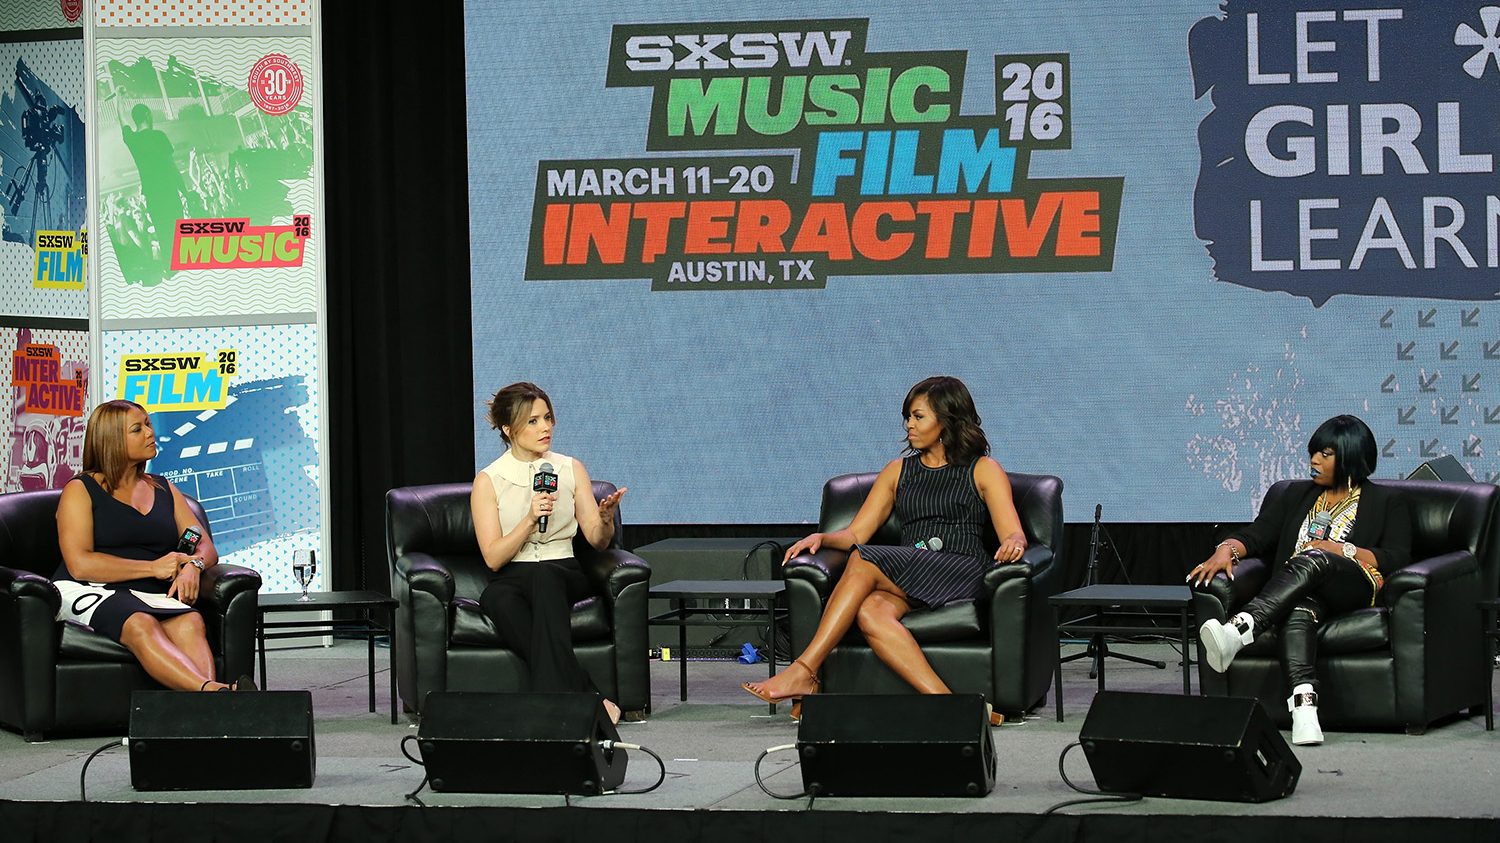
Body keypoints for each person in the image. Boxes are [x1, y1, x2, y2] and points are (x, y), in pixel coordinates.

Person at [743, 376, 1028, 724]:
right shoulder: (897, 472)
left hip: (961, 569)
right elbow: (856, 533)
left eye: (918, 416)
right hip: (913, 576)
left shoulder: (983, 470)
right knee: (871, 610)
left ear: (947, 421)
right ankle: (951, 707)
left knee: (864, 559)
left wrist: (1014, 542)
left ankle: (805, 670)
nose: (909, 424)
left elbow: (1012, 530)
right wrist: (821, 538)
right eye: (907, 416)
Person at [1190, 415, 1411, 746]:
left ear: (1351, 456)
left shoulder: (1387, 501)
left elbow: (1396, 557)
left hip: (1353, 586)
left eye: (1325, 454)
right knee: (1298, 610)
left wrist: (1339, 549)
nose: (1314, 461)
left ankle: (1240, 629)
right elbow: (1258, 535)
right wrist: (1227, 550)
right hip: (1296, 591)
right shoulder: (1295, 495)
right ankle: (1305, 710)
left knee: (1316, 557)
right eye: (1313, 453)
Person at [54, 400, 250, 691]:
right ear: (112, 441)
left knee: (191, 623)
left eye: (147, 424)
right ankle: (214, 693)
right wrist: (153, 567)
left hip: (148, 589)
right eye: (138, 429)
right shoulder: (80, 489)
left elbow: (204, 546)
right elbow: (80, 563)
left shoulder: (163, 488)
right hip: (89, 587)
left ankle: (212, 707)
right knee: (140, 623)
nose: (150, 432)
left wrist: (193, 567)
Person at [471, 382, 627, 724]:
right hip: (513, 573)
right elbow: (494, 558)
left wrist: (605, 521)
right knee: (497, 599)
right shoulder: (489, 480)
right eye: (533, 421)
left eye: (548, 418)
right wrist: (530, 519)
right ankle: (590, 699)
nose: (545, 428)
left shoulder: (570, 469)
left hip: (562, 568)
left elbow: (597, 540)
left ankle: (547, 714)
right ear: (509, 429)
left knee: (545, 578)